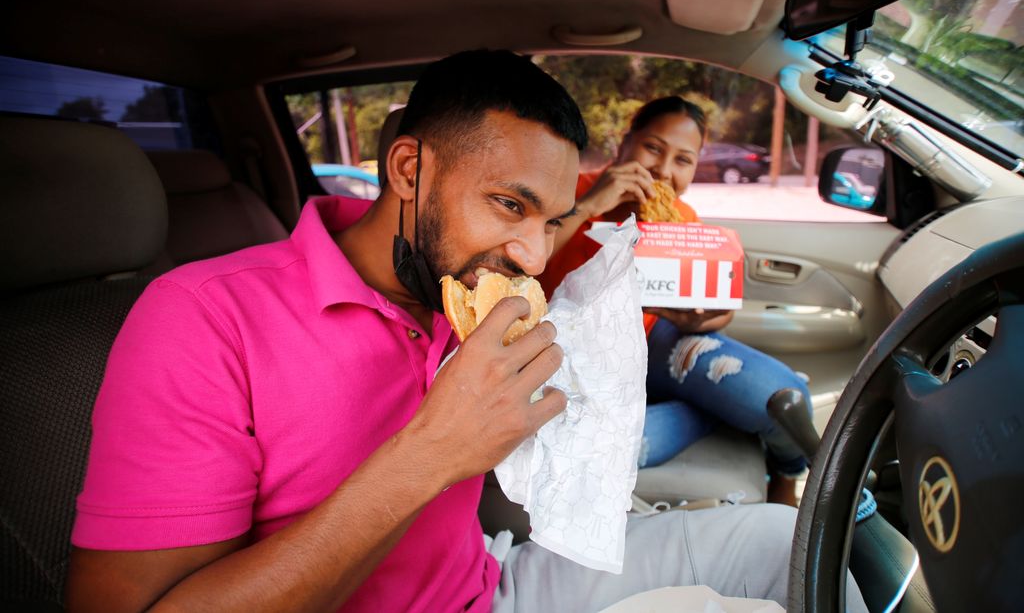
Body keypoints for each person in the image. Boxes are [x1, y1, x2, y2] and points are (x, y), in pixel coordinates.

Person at [67, 52, 862, 612]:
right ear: (409, 169)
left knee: (785, 541)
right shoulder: (203, 318)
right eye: (510, 205)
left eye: (549, 220)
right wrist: (433, 452)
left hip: (492, 584)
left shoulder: (468, 293)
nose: (529, 254)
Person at [538, 96, 814, 506]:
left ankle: (787, 477)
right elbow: (522, 265)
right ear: (624, 143)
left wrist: (705, 320)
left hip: (651, 343)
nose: (663, 171)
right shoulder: (566, 191)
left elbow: (700, 302)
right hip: (561, 358)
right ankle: (709, 413)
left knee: (782, 396)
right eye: (652, 148)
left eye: (683, 160)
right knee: (593, 448)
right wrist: (592, 205)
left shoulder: (681, 218)